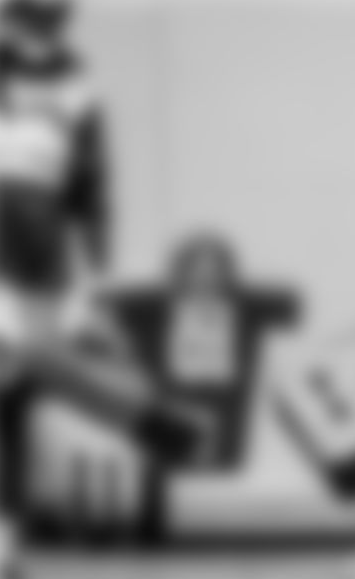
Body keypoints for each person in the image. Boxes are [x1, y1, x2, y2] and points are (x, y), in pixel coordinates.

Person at [0, 0, 111, 571]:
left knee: (7, 400)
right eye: (26, 12)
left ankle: (1, 536)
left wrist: (92, 282)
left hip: (35, 271)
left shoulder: (77, 87)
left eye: (51, 14)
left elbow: (92, 193)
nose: (38, 27)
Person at [102, 231, 300, 547]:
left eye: (214, 270)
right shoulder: (158, 306)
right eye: (197, 270)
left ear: (228, 274)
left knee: (213, 455)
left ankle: (174, 520)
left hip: (223, 397)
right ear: (181, 271)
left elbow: (288, 306)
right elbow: (109, 306)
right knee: (160, 453)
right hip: (172, 390)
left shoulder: (242, 306)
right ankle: (150, 528)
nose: (205, 279)